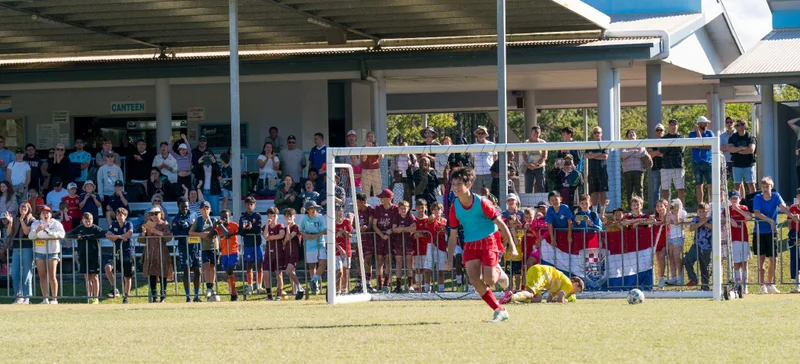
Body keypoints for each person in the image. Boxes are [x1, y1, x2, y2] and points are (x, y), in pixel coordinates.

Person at [445, 167, 517, 323]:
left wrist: (512, 245)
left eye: (459, 183)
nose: (455, 187)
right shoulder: (454, 207)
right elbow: (452, 236)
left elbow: (501, 224)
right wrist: (449, 259)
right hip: (470, 245)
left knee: (489, 280)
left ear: (469, 184)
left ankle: (499, 273)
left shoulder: (482, 202)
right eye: (453, 183)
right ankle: (500, 310)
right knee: (475, 280)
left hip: (488, 241)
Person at [751, 176, 790, 294]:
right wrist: (770, 220)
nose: (765, 189)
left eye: (767, 186)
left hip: (772, 232)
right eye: (763, 187)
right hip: (759, 232)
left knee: (774, 259)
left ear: (771, 187)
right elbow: (757, 212)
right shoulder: (757, 197)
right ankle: (762, 285)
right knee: (761, 259)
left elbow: (783, 207)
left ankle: (770, 283)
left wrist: (792, 215)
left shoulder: (776, 196)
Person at [29, 205, 66, 304]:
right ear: (40, 215)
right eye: (43, 213)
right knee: (42, 276)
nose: (46, 214)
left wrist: (51, 233)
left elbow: (62, 234)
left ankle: (54, 299)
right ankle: (45, 298)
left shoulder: (56, 223)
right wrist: (37, 230)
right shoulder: (36, 223)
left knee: (52, 276)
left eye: (47, 212)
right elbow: (31, 236)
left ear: (50, 213)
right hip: (39, 252)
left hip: (52, 252)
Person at [66, 212, 105, 304]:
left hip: (94, 254)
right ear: (82, 221)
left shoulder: (95, 228)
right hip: (83, 254)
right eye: (86, 221)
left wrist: (84, 237)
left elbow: (101, 234)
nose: (88, 223)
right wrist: (77, 236)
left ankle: (96, 297)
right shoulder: (80, 228)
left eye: (90, 221)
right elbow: (69, 234)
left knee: (94, 276)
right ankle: (89, 296)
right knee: (87, 277)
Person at [138, 206, 174, 303]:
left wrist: (156, 231)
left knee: (163, 274)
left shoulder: (164, 224)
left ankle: (163, 296)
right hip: (150, 252)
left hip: (162, 251)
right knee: (152, 274)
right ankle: (154, 296)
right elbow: (140, 240)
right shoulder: (147, 225)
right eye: (152, 214)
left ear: (161, 214)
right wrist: (143, 233)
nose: (154, 216)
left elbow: (168, 237)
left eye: (156, 213)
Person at [3, 201, 35, 304]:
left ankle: (27, 298)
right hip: (16, 248)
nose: (23, 208)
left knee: (27, 273)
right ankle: (18, 296)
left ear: (29, 208)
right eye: (21, 207)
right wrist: (11, 222)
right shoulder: (15, 219)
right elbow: (9, 233)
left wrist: (22, 220)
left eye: (25, 207)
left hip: (27, 248)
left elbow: (26, 232)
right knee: (15, 273)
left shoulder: (32, 220)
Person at [500, 264, 585, 304]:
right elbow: (560, 300)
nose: (574, 293)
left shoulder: (561, 285)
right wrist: (566, 301)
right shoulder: (568, 285)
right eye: (577, 291)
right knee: (530, 293)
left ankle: (513, 295)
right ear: (575, 284)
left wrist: (555, 300)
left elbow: (549, 300)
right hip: (542, 273)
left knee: (537, 299)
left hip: (537, 270)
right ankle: (512, 297)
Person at [172, 196, 201, 302]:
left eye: (187, 207)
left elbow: (199, 227)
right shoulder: (176, 219)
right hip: (184, 248)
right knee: (186, 271)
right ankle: (188, 296)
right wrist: (187, 230)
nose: (185, 209)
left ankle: (197, 295)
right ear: (178, 206)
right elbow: (175, 234)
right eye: (183, 207)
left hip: (196, 247)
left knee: (198, 270)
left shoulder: (194, 214)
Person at [190, 201, 219, 301]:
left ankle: (212, 285)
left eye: (207, 208)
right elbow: (191, 232)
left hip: (214, 246)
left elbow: (218, 231)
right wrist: (201, 234)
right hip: (204, 247)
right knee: (206, 265)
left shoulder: (213, 219)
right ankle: (208, 286)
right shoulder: (198, 220)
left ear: (210, 209)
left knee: (212, 266)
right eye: (203, 208)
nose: (205, 210)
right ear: (200, 210)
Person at [104, 207, 135, 303]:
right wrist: (119, 236)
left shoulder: (128, 224)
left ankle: (126, 296)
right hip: (116, 252)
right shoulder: (114, 224)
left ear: (125, 216)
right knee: (108, 267)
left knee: (127, 276)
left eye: (121, 215)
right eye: (117, 215)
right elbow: (108, 235)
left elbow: (129, 234)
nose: (119, 217)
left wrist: (116, 237)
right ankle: (114, 288)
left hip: (127, 252)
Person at [725, 190, 752, 295]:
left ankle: (745, 286)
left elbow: (749, 216)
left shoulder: (743, 208)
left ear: (739, 199)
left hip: (743, 239)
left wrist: (737, 209)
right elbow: (721, 217)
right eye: (732, 199)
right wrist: (730, 219)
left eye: (736, 198)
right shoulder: (727, 210)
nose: (734, 201)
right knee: (736, 264)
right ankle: (738, 286)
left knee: (744, 262)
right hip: (733, 240)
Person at [299, 200, 327, 295]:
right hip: (309, 244)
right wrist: (306, 235)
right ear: (307, 210)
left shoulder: (320, 218)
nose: (313, 210)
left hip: (320, 242)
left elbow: (325, 231)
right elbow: (301, 230)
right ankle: (315, 286)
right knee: (312, 265)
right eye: (311, 208)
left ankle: (314, 281)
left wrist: (316, 235)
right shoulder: (304, 218)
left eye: (314, 208)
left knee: (323, 262)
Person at [684, 202, 713, 289]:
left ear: (708, 212)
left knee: (705, 268)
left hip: (707, 247)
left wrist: (704, 223)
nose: (701, 213)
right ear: (697, 212)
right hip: (696, 245)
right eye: (700, 211)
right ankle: (693, 279)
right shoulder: (695, 219)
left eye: (704, 211)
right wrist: (701, 223)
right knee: (686, 260)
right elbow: (691, 228)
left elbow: (714, 227)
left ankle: (705, 286)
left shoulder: (711, 219)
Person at [239, 197, 265, 295]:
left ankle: (259, 286)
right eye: (247, 204)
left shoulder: (257, 216)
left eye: (251, 204)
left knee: (259, 265)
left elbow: (258, 230)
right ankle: (250, 287)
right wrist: (246, 230)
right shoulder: (242, 217)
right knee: (249, 265)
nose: (249, 206)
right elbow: (240, 231)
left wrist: (250, 228)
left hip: (257, 243)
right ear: (245, 205)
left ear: (254, 205)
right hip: (248, 244)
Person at [372, 189, 396, 292]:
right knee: (379, 260)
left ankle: (387, 283)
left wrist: (389, 232)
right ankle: (379, 284)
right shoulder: (378, 208)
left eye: (383, 197)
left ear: (388, 198)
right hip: (379, 237)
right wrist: (382, 235)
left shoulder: (395, 209)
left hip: (391, 238)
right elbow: (374, 225)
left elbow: (395, 225)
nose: (380, 199)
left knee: (388, 260)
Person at [351, 192, 376, 294]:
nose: (355, 204)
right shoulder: (357, 210)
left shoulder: (370, 209)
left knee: (366, 261)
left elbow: (370, 224)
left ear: (363, 202)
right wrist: (358, 228)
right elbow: (353, 224)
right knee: (358, 260)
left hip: (369, 238)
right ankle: (359, 284)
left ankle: (368, 283)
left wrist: (366, 227)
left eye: (357, 202)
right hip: (360, 239)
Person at [391, 200, 417, 293]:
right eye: (401, 208)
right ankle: (398, 285)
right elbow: (394, 229)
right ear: (398, 209)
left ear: (408, 208)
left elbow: (413, 227)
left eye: (405, 208)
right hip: (398, 242)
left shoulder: (410, 216)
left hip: (408, 242)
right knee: (398, 263)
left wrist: (401, 229)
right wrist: (405, 229)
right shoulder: (396, 217)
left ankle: (410, 285)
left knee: (409, 262)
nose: (403, 210)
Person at [422, 201, 447, 292]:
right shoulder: (430, 219)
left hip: (442, 247)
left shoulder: (445, 221)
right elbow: (428, 223)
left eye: (438, 209)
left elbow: (448, 233)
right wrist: (430, 219)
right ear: (432, 211)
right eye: (434, 210)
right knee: (428, 269)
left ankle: (441, 289)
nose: (437, 212)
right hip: (431, 245)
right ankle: (427, 288)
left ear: (442, 210)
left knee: (440, 270)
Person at [689, 116, 714, 205]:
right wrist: (698, 132)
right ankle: (701, 205)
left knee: (710, 185)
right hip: (696, 163)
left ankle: (711, 204)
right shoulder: (692, 134)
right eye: (704, 123)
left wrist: (699, 146)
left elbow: (709, 146)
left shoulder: (710, 133)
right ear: (699, 124)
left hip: (708, 162)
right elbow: (694, 145)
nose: (706, 124)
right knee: (699, 185)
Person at [727, 120, 757, 196]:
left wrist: (737, 150)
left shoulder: (750, 137)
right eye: (736, 125)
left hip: (749, 164)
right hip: (737, 165)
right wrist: (742, 148)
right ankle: (737, 202)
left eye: (739, 125)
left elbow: (751, 150)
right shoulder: (733, 137)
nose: (737, 127)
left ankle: (753, 202)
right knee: (737, 185)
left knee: (751, 184)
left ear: (744, 126)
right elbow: (730, 149)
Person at [660, 119, 686, 205]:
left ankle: (681, 208)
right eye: (671, 125)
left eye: (675, 125)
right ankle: (665, 209)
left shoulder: (681, 137)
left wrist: (669, 148)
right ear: (669, 126)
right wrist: (672, 148)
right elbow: (662, 150)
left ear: (677, 126)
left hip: (678, 166)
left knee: (680, 189)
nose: (673, 126)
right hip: (665, 167)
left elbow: (680, 149)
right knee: (665, 190)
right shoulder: (664, 138)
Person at [216, 209, 240, 301]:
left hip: (233, 251)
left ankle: (234, 293)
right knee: (228, 272)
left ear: (230, 217)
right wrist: (216, 224)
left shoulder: (234, 225)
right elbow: (213, 232)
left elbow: (236, 232)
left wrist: (232, 234)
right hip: (224, 253)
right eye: (222, 217)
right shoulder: (219, 227)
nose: (224, 219)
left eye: (226, 217)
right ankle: (232, 292)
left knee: (230, 270)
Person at [263, 207, 286, 300]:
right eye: (269, 216)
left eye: (273, 216)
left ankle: (279, 294)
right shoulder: (266, 226)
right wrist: (267, 225)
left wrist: (271, 238)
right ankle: (269, 295)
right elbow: (265, 236)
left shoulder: (280, 225)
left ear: (277, 216)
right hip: (268, 253)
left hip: (278, 253)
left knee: (278, 274)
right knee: (266, 273)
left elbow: (281, 235)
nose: (271, 218)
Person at [584, 127, 609, 211]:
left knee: (603, 193)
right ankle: (594, 212)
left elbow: (605, 156)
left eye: (598, 132)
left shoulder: (604, 144)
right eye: (595, 132)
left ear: (601, 134)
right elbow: (586, 155)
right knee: (593, 193)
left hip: (602, 172)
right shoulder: (590, 144)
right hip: (592, 172)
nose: (597, 134)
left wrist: (593, 155)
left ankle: (602, 212)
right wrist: (598, 154)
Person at [621, 129, 646, 209]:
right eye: (630, 133)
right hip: (627, 171)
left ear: (636, 135)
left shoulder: (640, 143)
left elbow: (641, 154)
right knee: (629, 191)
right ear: (627, 136)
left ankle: (640, 208)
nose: (632, 134)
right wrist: (633, 151)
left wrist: (629, 153)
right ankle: (630, 208)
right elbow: (622, 154)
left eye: (633, 133)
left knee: (639, 190)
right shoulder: (624, 144)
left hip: (639, 170)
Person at [282, 208, 304, 300]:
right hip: (287, 250)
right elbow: (284, 242)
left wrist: (287, 227)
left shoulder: (295, 227)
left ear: (294, 216)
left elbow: (289, 237)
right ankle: (295, 291)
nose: (288, 218)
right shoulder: (284, 228)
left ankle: (300, 287)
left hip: (294, 251)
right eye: (286, 216)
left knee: (288, 271)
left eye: (290, 216)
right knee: (291, 271)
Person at [665, 199, 687, 286]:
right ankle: (673, 277)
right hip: (670, 237)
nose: (672, 207)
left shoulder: (683, 213)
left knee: (677, 256)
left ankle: (680, 277)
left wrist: (677, 212)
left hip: (678, 237)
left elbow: (677, 222)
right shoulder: (669, 213)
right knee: (671, 257)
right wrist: (668, 211)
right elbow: (667, 222)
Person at [193, 151, 221, 216]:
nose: (207, 155)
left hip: (213, 191)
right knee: (203, 212)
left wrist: (214, 163)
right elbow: (194, 171)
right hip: (203, 190)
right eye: (205, 154)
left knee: (215, 211)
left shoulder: (214, 164)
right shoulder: (200, 165)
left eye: (209, 154)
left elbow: (218, 173)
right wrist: (198, 162)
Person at [471, 126, 497, 194]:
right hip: (477, 173)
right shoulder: (473, 146)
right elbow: (472, 159)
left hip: (488, 172)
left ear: (485, 134)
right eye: (479, 133)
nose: (480, 135)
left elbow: (495, 158)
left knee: (489, 192)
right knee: (476, 193)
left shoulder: (492, 145)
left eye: (482, 133)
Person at [522, 126, 547, 193]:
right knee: (528, 186)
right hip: (529, 167)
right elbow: (524, 155)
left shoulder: (543, 142)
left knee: (541, 185)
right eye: (534, 133)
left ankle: (542, 202)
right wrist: (529, 164)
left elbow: (544, 156)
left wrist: (537, 164)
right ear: (531, 133)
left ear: (540, 133)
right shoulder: (526, 143)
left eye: (537, 133)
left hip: (540, 167)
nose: (536, 135)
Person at [334, 208, 353, 295]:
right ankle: (337, 290)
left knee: (345, 271)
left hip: (347, 250)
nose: (340, 214)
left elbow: (350, 235)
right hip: (337, 251)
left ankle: (344, 289)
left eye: (341, 212)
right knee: (339, 271)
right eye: (338, 212)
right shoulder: (333, 223)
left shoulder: (347, 222)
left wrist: (343, 232)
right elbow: (332, 239)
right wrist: (339, 248)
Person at [651, 199, 669, 288]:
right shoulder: (654, 218)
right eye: (657, 206)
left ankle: (667, 278)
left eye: (661, 206)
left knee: (664, 256)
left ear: (666, 206)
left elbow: (665, 220)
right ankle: (660, 279)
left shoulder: (668, 216)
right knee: (659, 260)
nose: (659, 208)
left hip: (667, 240)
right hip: (658, 240)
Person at [647, 124, 666, 207]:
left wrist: (655, 153)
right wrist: (660, 152)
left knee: (666, 189)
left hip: (666, 168)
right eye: (657, 130)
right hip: (655, 168)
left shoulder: (667, 141)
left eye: (661, 130)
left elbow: (666, 154)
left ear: (664, 132)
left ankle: (666, 207)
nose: (659, 132)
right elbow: (649, 155)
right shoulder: (652, 142)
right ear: (655, 132)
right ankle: (656, 209)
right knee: (655, 190)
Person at [361, 131, 382, 197]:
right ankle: (365, 206)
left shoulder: (378, 147)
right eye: (369, 137)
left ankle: (379, 206)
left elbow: (381, 157)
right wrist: (367, 148)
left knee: (378, 191)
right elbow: (363, 159)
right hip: (366, 170)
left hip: (376, 170)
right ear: (367, 139)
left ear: (374, 138)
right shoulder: (363, 147)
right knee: (365, 191)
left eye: (372, 136)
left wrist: (377, 149)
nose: (370, 138)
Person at [787, 189, 800, 293]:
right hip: (795, 235)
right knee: (795, 259)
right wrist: (792, 233)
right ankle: (797, 285)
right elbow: (788, 222)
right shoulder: (792, 208)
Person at [719, 116, 735, 182]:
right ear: (725, 124)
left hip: (736, 161)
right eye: (727, 122)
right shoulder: (722, 135)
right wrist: (732, 148)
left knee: (738, 182)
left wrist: (726, 147)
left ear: (734, 123)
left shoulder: (737, 134)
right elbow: (720, 148)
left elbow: (739, 148)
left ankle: (740, 193)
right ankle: (724, 193)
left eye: (731, 122)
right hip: (725, 161)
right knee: (723, 181)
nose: (729, 124)